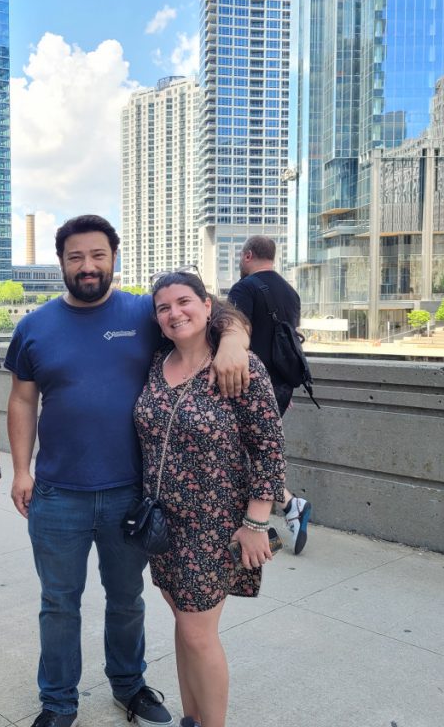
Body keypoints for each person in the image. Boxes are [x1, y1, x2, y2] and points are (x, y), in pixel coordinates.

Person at [5, 215, 251, 727]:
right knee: (58, 604)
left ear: (114, 257)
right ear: (62, 263)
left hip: (129, 494)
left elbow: (212, 311)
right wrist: (21, 471)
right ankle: (58, 702)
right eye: (76, 257)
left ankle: (129, 685)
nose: (87, 266)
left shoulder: (143, 312)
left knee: (126, 600)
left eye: (97, 255)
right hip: (56, 493)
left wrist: (234, 342)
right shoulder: (34, 327)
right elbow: (23, 401)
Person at [136, 271, 285, 727]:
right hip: (163, 523)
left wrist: (256, 522)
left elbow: (268, 445)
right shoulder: (157, 361)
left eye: (184, 302)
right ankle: (191, 718)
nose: (175, 313)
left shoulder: (237, 366)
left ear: (206, 305)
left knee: (199, 634)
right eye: (164, 307)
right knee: (184, 628)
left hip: (212, 524)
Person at [228, 236, 313, 555]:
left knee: (241, 455)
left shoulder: (245, 289)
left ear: (247, 255)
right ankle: (289, 507)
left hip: (248, 387)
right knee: (254, 453)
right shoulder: (290, 293)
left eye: (240, 256)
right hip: (281, 387)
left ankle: (280, 514)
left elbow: (232, 337)